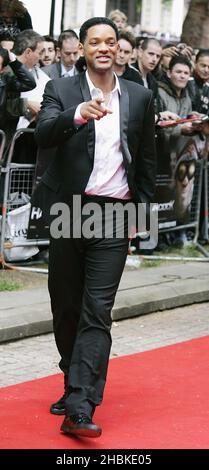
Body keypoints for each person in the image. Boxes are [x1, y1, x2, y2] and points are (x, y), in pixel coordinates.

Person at [34, 16, 156, 438]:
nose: (103, 48)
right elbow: (43, 134)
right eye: (94, 42)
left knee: (96, 311)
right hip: (70, 210)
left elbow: (145, 159)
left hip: (115, 213)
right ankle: (72, 380)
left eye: (110, 41)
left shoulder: (140, 97)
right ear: (83, 49)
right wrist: (77, 115)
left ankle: (81, 404)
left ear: (119, 48)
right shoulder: (61, 89)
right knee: (65, 306)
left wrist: (142, 216)